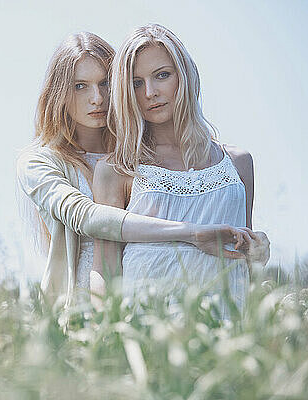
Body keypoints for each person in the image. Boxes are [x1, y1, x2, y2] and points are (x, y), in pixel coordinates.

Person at [17, 31, 255, 308]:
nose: (97, 98)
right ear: (59, 93)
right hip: (80, 309)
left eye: (105, 83)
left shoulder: (134, 156)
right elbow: (88, 217)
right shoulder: (43, 162)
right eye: (80, 86)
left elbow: (241, 246)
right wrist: (191, 233)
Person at [91, 24, 270, 316]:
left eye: (162, 75)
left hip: (225, 326)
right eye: (136, 83)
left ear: (184, 76)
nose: (150, 92)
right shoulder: (117, 169)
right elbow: (105, 266)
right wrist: (104, 337)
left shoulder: (239, 163)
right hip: (149, 329)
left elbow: (246, 258)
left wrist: (258, 248)